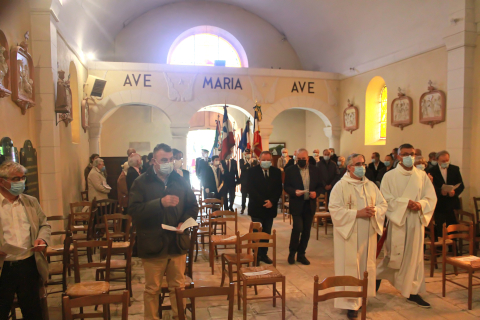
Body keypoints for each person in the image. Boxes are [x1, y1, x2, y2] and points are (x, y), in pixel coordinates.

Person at [128, 143, 198, 320]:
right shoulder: (141, 182)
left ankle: (179, 317)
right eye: (164, 160)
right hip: (153, 243)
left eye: (171, 159)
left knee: (178, 288)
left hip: (176, 243)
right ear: (154, 161)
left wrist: (183, 222)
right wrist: (159, 203)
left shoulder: (180, 180)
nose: (169, 163)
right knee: (152, 290)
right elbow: (134, 212)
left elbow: (192, 206)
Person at [376, 144, 437, 308]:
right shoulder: (389, 176)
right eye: (405, 154)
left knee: (414, 259)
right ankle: (374, 281)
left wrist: (421, 204)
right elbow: (384, 200)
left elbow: (430, 197)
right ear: (397, 156)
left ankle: (413, 292)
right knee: (394, 257)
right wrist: (405, 204)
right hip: (398, 222)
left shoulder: (422, 175)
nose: (409, 157)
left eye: (412, 154)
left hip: (416, 222)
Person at [329, 154, 387, 319]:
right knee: (350, 267)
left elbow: (383, 204)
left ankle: (362, 298)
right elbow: (334, 209)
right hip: (349, 234)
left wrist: (374, 211)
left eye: (363, 163)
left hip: (367, 234)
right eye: (358, 164)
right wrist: (358, 213)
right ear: (349, 167)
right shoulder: (340, 186)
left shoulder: (370, 186)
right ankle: (350, 304)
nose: (362, 167)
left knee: (364, 267)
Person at [0, 161, 51, 319]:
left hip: (28, 264)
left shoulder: (30, 201)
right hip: (3, 267)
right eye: (16, 179)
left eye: (23, 178)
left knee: (32, 311)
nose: (21, 182)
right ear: (2, 181)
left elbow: (44, 224)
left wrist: (42, 239)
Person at [284, 148, 324, 265]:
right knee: (298, 228)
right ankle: (292, 253)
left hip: (309, 204)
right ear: (296, 159)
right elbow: (286, 186)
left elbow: (320, 186)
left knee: (306, 231)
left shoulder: (315, 170)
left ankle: (301, 254)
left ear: (308, 159)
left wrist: (316, 193)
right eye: (299, 159)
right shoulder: (290, 170)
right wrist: (294, 191)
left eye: (303, 159)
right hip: (297, 203)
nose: (301, 161)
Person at [247, 151, 282, 264]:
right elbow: (251, 189)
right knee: (257, 232)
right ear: (259, 160)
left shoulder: (276, 172)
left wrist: (272, 201)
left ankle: (264, 254)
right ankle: (256, 254)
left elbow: (278, 189)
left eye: (269, 160)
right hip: (257, 207)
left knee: (267, 232)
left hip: (270, 208)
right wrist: (263, 201)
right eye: (264, 160)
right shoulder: (252, 172)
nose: (266, 162)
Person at [429, 150, 464, 238]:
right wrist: (440, 191)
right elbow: (430, 186)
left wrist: (455, 192)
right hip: (439, 203)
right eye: (443, 161)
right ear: (437, 160)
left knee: (452, 227)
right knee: (440, 227)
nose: (446, 162)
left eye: (447, 160)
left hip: (452, 203)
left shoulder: (455, 169)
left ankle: (454, 249)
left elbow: (461, 185)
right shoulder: (431, 171)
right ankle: (440, 248)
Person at [239, 149, 252, 214]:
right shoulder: (241, 160)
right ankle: (243, 208)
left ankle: (250, 208)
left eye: (249, 153)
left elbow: (253, 169)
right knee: (243, 196)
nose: (248, 154)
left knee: (251, 196)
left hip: (251, 181)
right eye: (246, 153)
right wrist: (247, 164)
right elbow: (242, 168)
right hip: (244, 181)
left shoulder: (252, 161)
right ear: (244, 154)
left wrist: (248, 166)